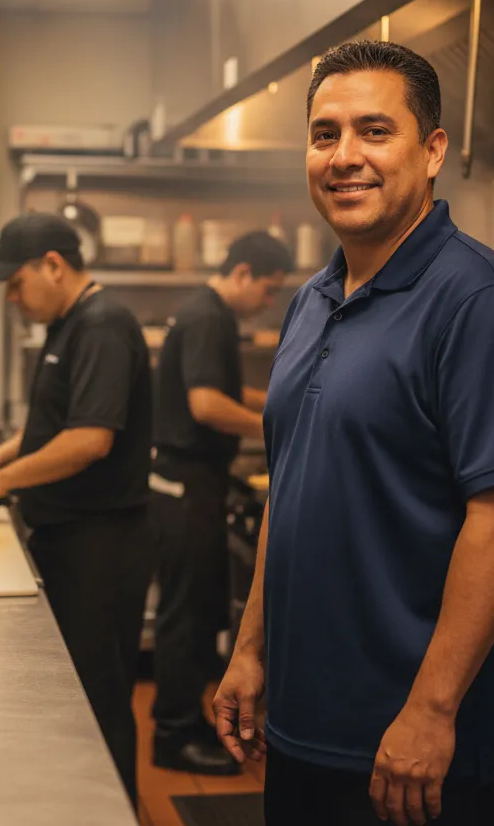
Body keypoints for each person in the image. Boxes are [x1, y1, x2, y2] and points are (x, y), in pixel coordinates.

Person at [213, 40, 494, 826]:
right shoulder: (311, 300)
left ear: (432, 151)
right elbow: (289, 485)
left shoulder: (480, 301)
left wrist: (431, 711)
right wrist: (252, 648)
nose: (344, 157)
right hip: (302, 729)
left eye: (374, 131)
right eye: (325, 134)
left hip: (409, 752)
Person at [0, 212, 152, 809]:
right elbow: (49, 429)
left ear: (54, 266)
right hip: (72, 538)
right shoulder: (69, 325)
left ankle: (114, 811)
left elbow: (90, 439)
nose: (12, 298)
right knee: (74, 697)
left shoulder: (104, 325)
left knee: (98, 699)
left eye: (16, 284)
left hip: (103, 544)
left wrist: (2, 482)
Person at [150, 231, 293, 776]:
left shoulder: (203, 311)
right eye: (267, 290)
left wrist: (287, 402)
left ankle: (184, 726)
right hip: (187, 486)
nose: (267, 303)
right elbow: (208, 405)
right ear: (241, 273)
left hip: (189, 484)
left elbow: (226, 391)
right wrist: (280, 428)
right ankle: (173, 738)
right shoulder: (209, 318)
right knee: (185, 618)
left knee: (197, 609)